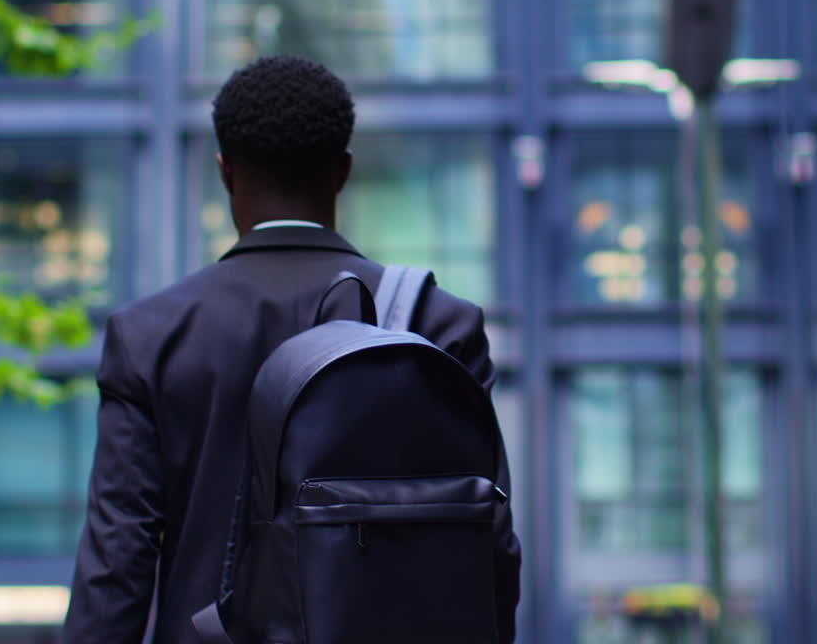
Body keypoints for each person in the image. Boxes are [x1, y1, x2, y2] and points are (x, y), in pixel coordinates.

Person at [61, 55, 522, 643]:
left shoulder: (152, 336)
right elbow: (491, 547)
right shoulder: (438, 323)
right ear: (343, 171)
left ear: (225, 172)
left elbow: (116, 566)